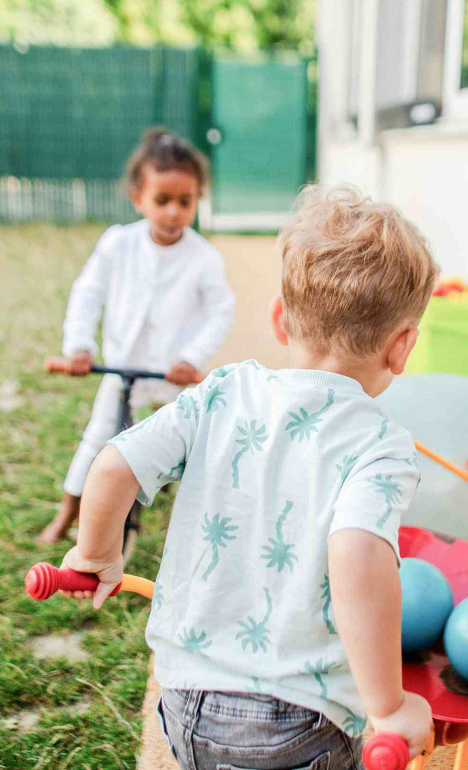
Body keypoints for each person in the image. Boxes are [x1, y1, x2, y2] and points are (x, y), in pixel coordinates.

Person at [60, 185, 439, 768]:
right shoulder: (380, 444)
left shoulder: (218, 393)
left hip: (185, 700)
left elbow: (113, 464)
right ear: (402, 346)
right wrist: (388, 708)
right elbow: (358, 554)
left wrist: (96, 555)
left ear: (281, 320)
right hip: (301, 721)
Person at [37, 128, 235, 546]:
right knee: (96, 441)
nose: (173, 213)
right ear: (137, 198)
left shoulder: (203, 258)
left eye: (185, 202)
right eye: (162, 201)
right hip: (122, 366)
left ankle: (197, 521)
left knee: (194, 443)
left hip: (171, 373)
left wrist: (191, 357)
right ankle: (67, 514)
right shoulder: (118, 244)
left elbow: (221, 311)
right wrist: (79, 346)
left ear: (198, 199)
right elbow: (87, 294)